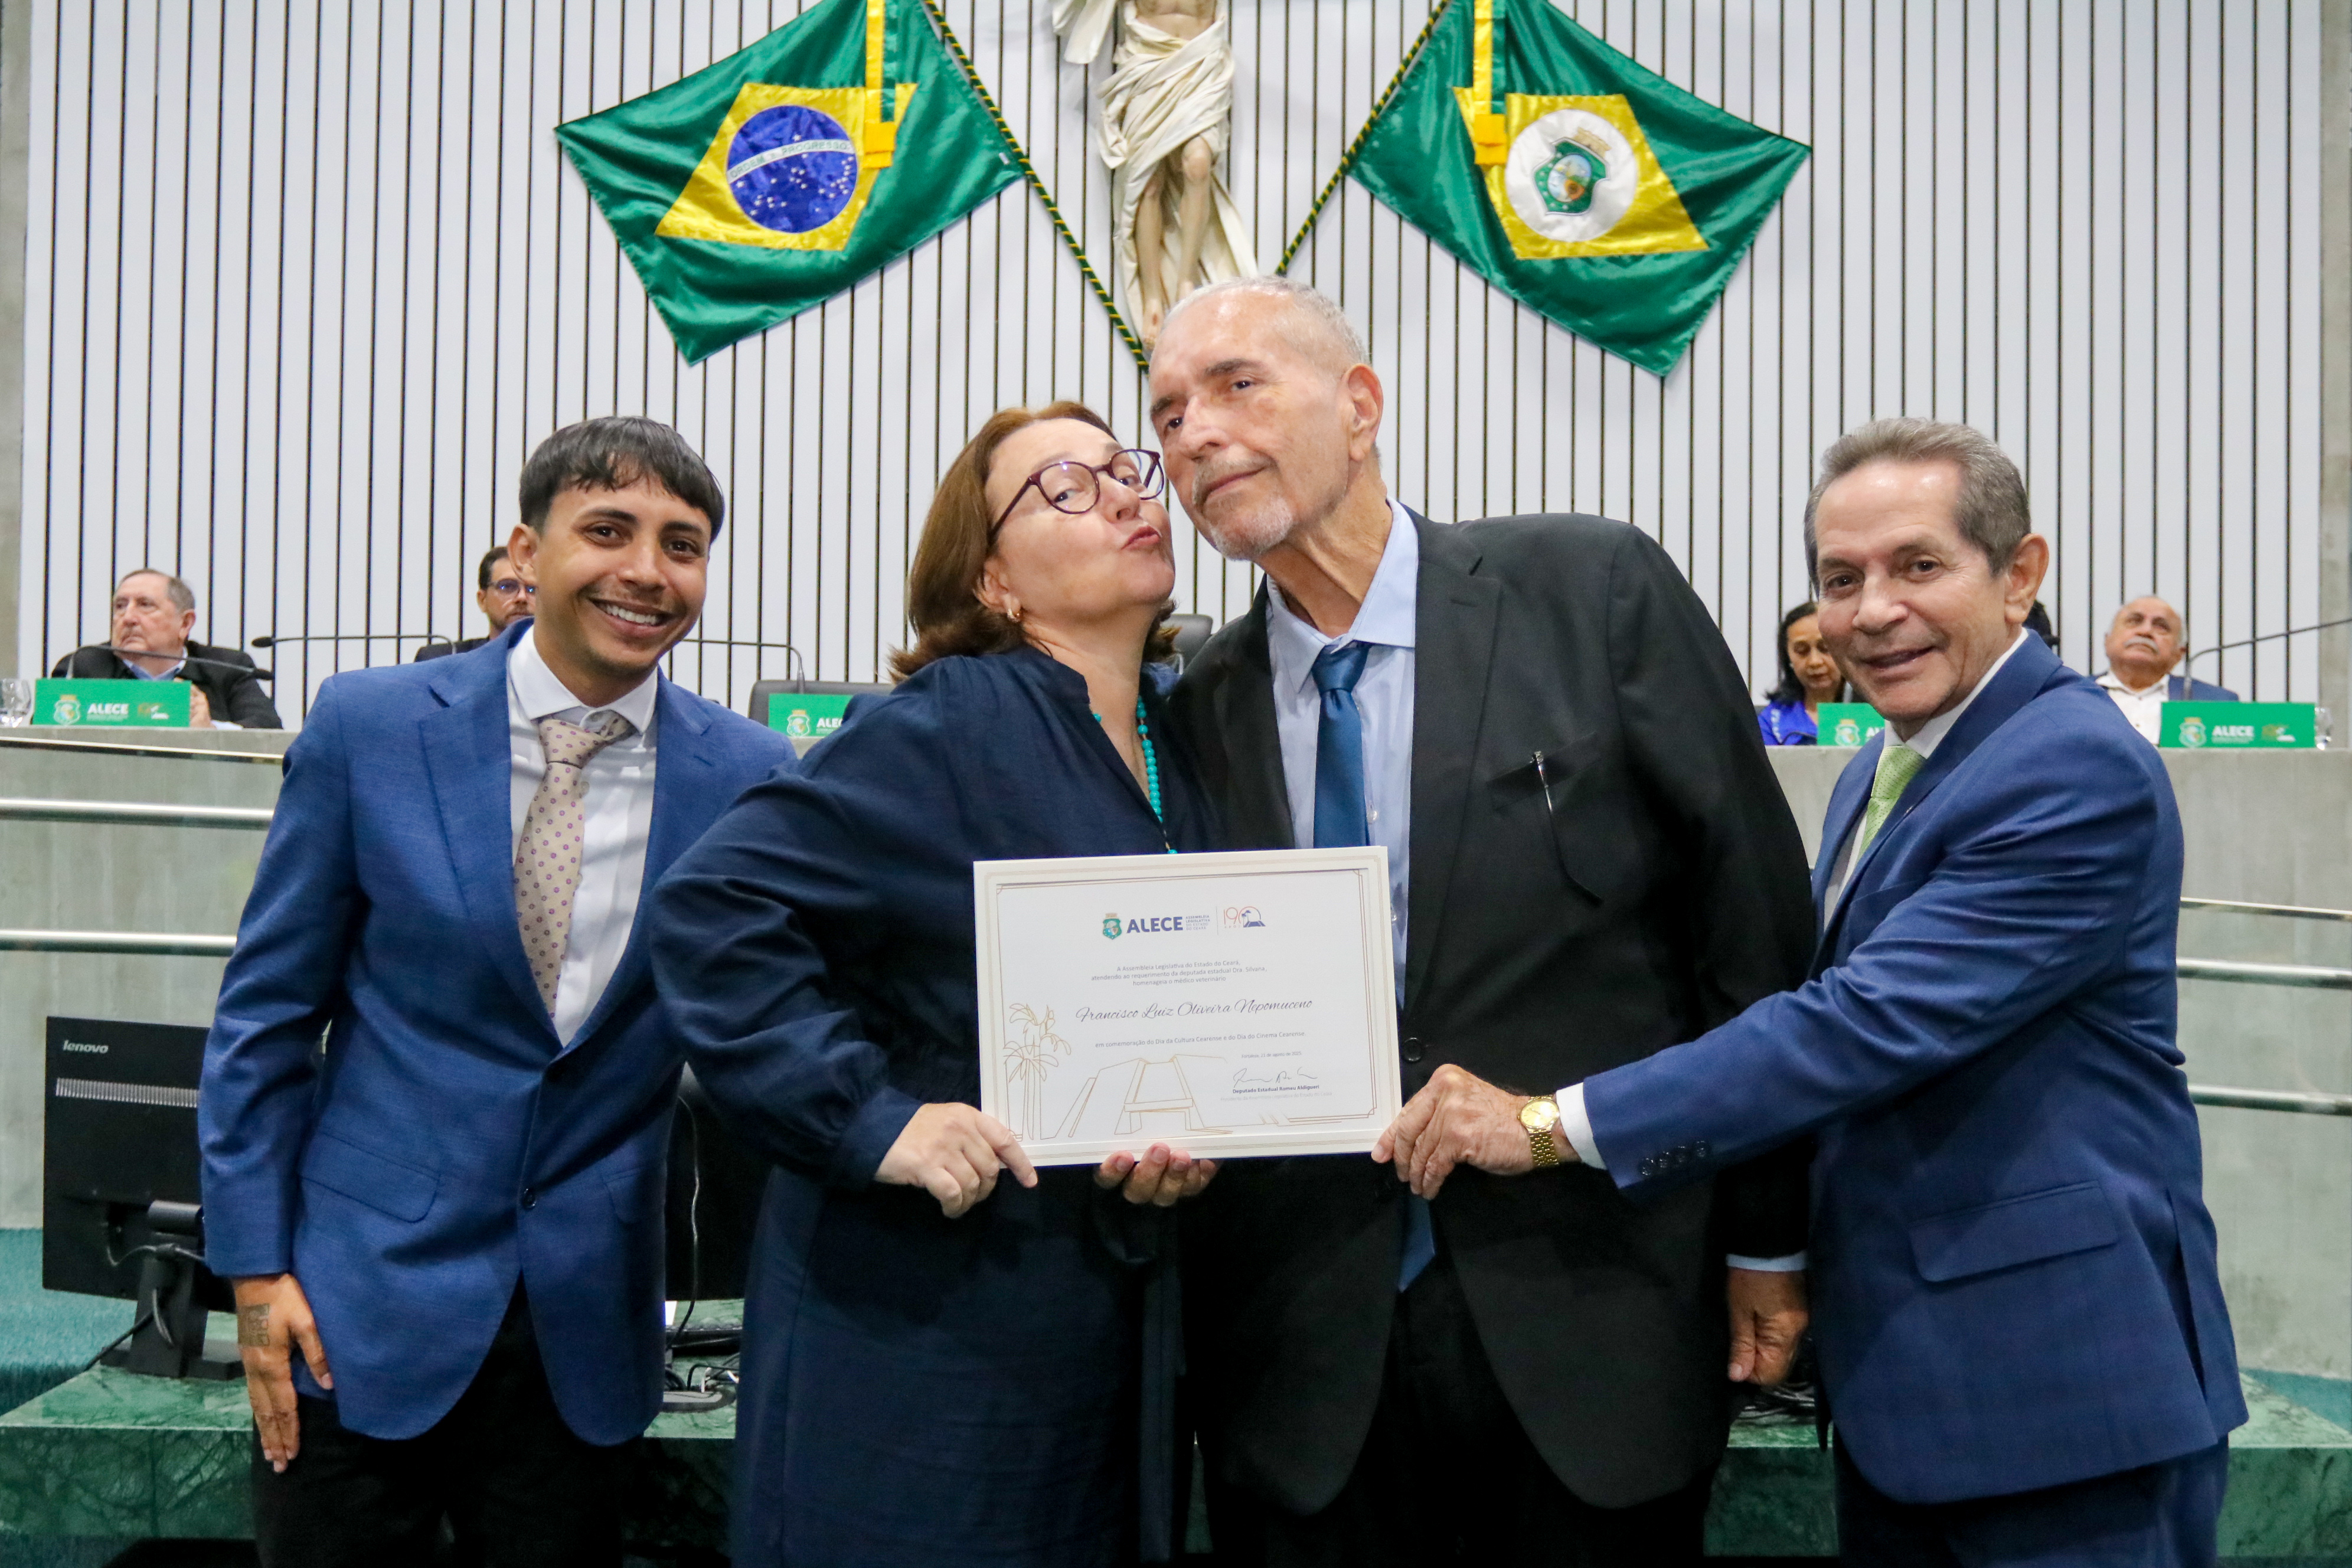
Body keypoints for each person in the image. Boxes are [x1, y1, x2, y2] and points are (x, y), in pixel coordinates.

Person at [1440, 420, 2243, 1566]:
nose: (1871, 612)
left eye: (1918, 566)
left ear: (2018, 574)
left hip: (2061, 1399)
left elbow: (1858, 1026)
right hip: (1910, 1390)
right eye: (1839, 578)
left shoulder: (2071, 763)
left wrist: (1544, 1123)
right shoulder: (1886, 761)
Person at [1151, 277, 1817, 1566]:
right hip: (1302, 1363)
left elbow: (1750, 928)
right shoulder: (1195, 707)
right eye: (1169, 414)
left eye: (1236, 386)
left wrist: (1768, 1234)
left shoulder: (1590, 589)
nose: (1196, 434)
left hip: (1596, 1315)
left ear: (1359, 407)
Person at [198, 417, 793, 1567]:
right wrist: (256, 1267)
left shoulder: (750, 776)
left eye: (681, 545)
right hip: (352, 1307)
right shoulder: (371, 728)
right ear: (527, 551)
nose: (646, 571)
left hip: (586, 1327)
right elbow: (265, 1016)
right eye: (607, 530)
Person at [649, 403, 1220, 1568]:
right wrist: (867, 1116)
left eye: (1125, 469)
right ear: (990, 578)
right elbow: (715, 907)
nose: (1125, 493)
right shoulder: (949, 723)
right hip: (924, 1325)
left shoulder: (1183, 738)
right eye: (1065, 486)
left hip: (1099, 1319)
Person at [51, 569, 281, 728]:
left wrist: (211, 731)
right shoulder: (82, 665)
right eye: (120, 606)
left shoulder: (227, 668)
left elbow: (268, 732)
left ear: (185, 623)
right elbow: (43, 736)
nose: (128, 618)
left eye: (145, 605)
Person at [2100, 594, 2239, 743]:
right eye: (2134, 622)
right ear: (2108, 641)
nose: (2145, 631)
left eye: (2161, 627)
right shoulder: (2080, 694)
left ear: (2179, 653)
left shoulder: (2218, 703)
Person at [416, 544, 534, 659]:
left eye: (533, 588)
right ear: (482, 600)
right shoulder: (440, 659)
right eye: (507, 586)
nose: (522, 597)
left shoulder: (546, 665)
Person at [1758, 599, 1848, 745]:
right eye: (1802, 651)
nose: (1815, 661)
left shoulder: (1877, 712)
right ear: (1788, 657)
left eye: (1825, 648)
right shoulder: (1772, 722)